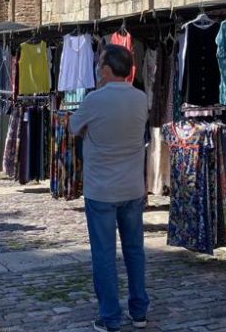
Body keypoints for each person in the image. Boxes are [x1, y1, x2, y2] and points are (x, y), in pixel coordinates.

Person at [69, 44, 150, 332]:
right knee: (134, 251)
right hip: (132, 187)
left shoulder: (94, 99)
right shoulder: (140, 98)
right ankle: (139, 311)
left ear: (105, 69)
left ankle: (110, 316)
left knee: (104, 255)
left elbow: (74, 127)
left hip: (101, 189)